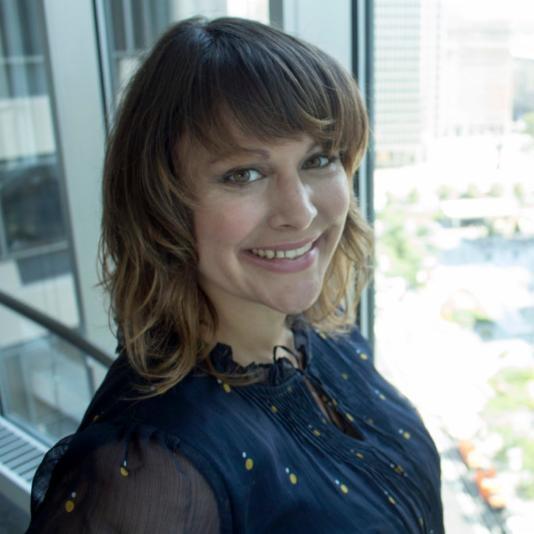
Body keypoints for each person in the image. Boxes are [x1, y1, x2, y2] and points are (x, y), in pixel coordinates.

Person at [26, 16, 444, 534]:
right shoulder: (152, 477)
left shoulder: (320, 332)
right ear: (161, 206)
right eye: (244, 174)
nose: (301, 212)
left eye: (319, 159)